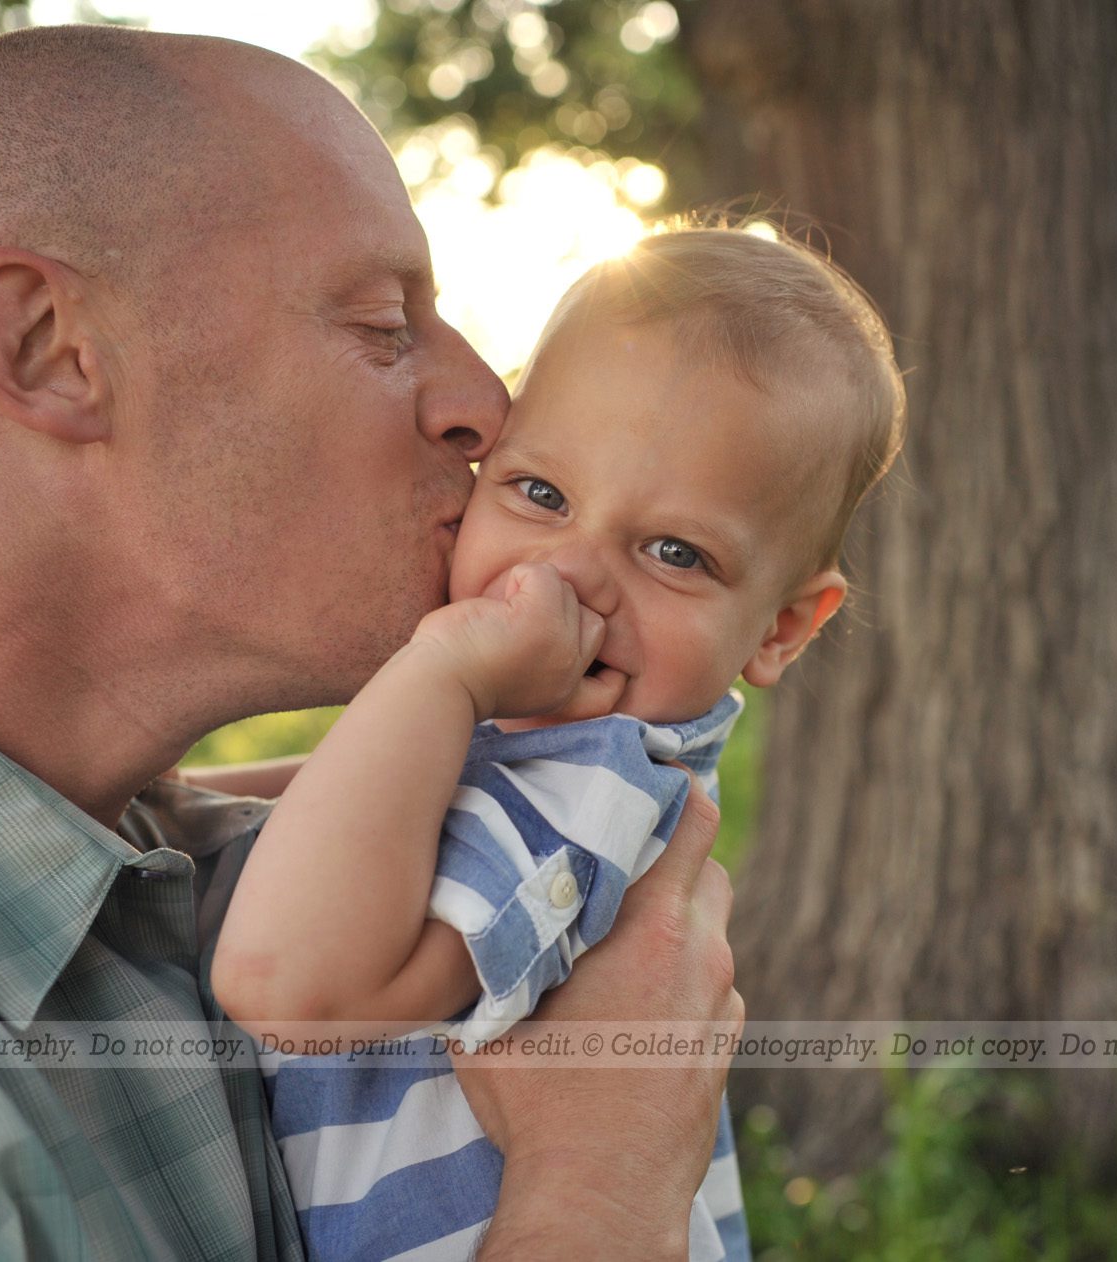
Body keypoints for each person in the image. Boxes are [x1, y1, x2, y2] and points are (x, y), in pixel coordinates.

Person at [0, 24, 740, 1261]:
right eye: (385, 325)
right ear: (51, 350)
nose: (486, 409)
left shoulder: (224, 857)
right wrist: (599, 1188)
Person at [208, 228, 906, 1261]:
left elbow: (292, 987)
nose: (569, 573)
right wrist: (168, 795)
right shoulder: (522, 757)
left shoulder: (597, 786)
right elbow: (344, 809)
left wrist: (444, 665)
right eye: (540, 493)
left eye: (676, 552)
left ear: (780, 628)